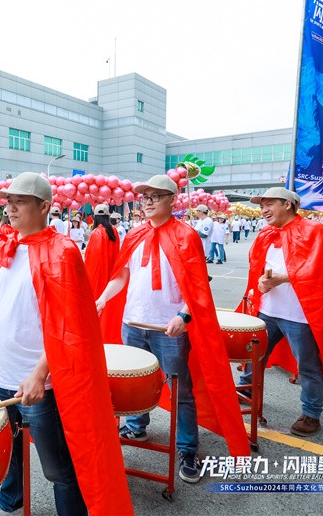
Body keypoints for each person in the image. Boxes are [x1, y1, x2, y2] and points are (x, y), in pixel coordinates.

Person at [0, 172, 132, 516]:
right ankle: (10, 501)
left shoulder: (62, 251)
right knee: (9, 450)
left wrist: (40, 374)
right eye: (9, 202)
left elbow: (71, 324)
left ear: (44, 207)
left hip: (41, 382)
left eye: (20, 202)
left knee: (58, 468)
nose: (10, 209)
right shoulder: (5, 246)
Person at [96, 174, 249, 484]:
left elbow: (198, 285)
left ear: (172, 200)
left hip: (169, 329)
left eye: (156, 196)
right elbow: (122, 275)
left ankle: (187, 448)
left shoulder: (186, 236)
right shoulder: (134, 234)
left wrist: (184, 316)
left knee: (181, 392)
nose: (148, 202)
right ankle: (137, 425)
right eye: (145, 197)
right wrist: (101, 299)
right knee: (133, 385)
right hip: (133, 324)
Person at [237, 188, 323, 436]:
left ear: (288, 204)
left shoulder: (314, 230)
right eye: (261, 206)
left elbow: (319, 269)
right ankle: (246, 390)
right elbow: (257, 266)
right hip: (267, 310)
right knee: (254, 357)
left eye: (269, 204)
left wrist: (279, 279)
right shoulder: (266, 233)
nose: (264, 210)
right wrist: (261, 282)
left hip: (299, 314)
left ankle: (311, 413)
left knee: (308, 366)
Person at [84, 204, 121, 344]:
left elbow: (92, 259)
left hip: (98, 276)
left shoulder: (97, 233)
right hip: (112, 275)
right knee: (108, 307)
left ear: (95, 217)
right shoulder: (113, 231)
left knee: (97, 306)